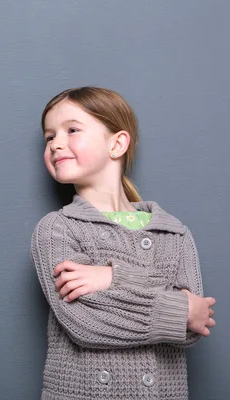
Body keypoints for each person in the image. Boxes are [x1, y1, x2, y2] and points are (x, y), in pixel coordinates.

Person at [30, 87, 216, 400]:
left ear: (117, 143)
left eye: (72, 130)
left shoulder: (174, 232)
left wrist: (112, 278)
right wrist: (178, 307)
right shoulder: (56, 229)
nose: (56, 144)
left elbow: (193, 327)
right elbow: (87, 322)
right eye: (49, 137)